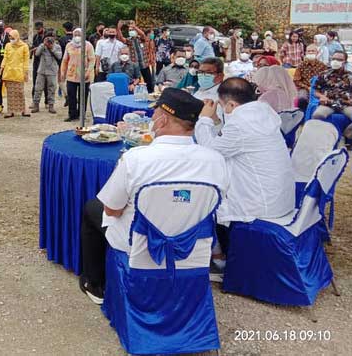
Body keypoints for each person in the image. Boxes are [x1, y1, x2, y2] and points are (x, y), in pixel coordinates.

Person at [79, 88, 227, 304]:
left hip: (141, 244)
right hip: (192, 244)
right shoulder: (215, 160)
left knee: (93, 208)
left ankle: (95, 284)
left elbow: (112, 209)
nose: (152, 118)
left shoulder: (136, 158)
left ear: (163, 119)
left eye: (154, 113)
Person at [195, 78, 296, 279]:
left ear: (231, 104)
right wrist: (216, 120)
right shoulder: (262, 113)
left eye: (223, 106)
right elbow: (228, 140)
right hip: (279, 196)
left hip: (260, 203)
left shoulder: (241, 124)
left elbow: (210, 152)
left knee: (203, 199)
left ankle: (219, 258)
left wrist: (204, 120)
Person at [312, 51, 352, 139]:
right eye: (333, 59)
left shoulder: (350, 76)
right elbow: (316, 91)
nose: (335, 61)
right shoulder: (324, 74)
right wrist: (322, 96)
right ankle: (320, 138)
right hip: (328, 102)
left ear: (345, 61)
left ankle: (345, 136)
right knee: (317, 115)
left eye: (339, 59)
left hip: (346, 103)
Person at [60, 28, 95, 122]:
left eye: (79, 34)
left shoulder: (88, 45)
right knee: (71, 95)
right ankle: (72, 114)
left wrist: (88, 72)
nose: (77, 37)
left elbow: (92, 60)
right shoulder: (69, 45)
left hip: (84, 76)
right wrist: (62, 72)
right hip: (71, 75)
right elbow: (64, 60)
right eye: (75, 34)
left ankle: (81, 114)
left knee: (83, 96)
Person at [0, 29, 30, 118]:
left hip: (19, 73)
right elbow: (5, 58)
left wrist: (26, 73)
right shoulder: (7, 45)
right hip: (8, 73)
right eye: (9, 37)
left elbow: (26, 60)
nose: (11, 39)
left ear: (17, 37)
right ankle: (10, 111)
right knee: (10, 93)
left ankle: (23, 110)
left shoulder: (24, 46)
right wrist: (0, 70)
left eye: (12, 37)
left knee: (20, 92)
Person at [117, 20, 154, 93]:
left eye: (132, 30)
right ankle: (137, 94)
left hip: (144, 64)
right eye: (130, 30)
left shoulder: (141, 38)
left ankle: (151, 93)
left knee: (148, 81)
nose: (131, 31)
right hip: (135, 65)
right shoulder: (129, 40)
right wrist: (118, 29)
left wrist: (135, 27)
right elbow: (121, 38)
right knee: (136, 80)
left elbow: (143, 34)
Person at [31, 35, 62, 113]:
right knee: (38, 88)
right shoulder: (42, 46)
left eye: (51, 38)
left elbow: (59, 56)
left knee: (51, 89)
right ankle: (36, 105)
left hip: (52, 71)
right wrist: (42, 45)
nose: (49, 40)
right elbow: (37, 54)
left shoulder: (57, 46)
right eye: (47, 38)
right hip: (42, 70)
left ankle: (51, 105)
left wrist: (52, 48)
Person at [293, 44, 329, 111]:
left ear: (317, 53)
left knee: (323, 99)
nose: (310, 53)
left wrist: (317, 89)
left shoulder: (322, 65)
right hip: (304, 88)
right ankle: (302, 115)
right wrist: (307, 87)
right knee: (302, 98)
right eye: (308, 51)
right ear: (305, 53)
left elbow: (326, 79)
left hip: (318, 88)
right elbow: (296, 80)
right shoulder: (301, 65)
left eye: (313, 51)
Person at [30, 20, 47, 106]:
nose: (37, 30)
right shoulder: (35, 37)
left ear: (42, 27)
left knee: (47, 83)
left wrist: (37, 48)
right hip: (36, 62)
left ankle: (47, 102)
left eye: (39, 29)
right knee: (35, 82)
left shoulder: (47, 36)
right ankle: (34, 101)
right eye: (36, 29)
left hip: (45, 62)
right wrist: (33, 49)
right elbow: (33, 46)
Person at [58, 21, 75, 107]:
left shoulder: (61, 39)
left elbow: (60, 52)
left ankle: (67, 96)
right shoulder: (76, 38)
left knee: (61, 80)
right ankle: (72, 97)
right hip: (75, 62)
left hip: (64, 61)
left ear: (64, 29)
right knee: (73, 80)